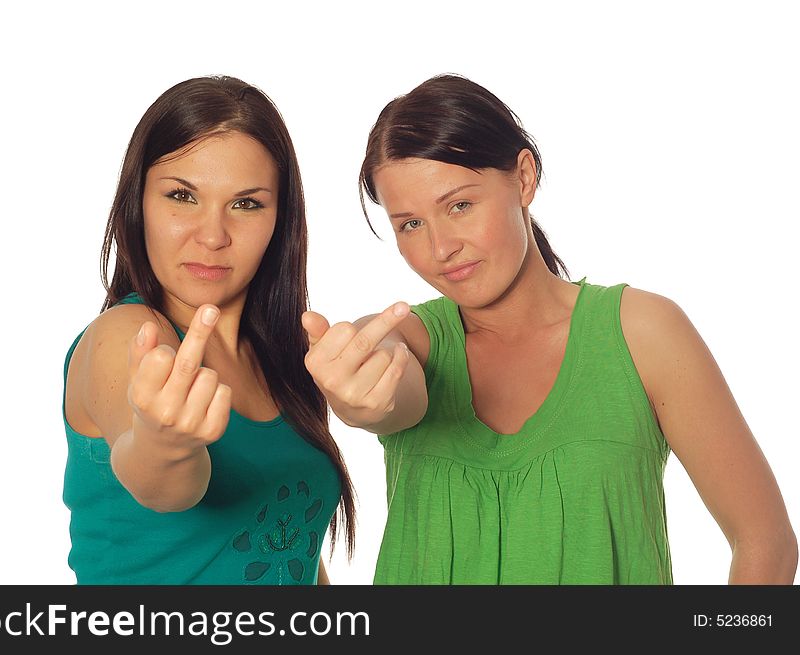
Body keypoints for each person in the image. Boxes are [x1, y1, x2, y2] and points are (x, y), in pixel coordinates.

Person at [302, 74, 797, 584]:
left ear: (523, 178)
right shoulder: (412, 341)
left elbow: (765, 542)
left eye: (460, 206)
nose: (440, 247)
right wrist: (358, 394)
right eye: (410, 224)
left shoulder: (643, 334)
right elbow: (385, 378)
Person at [62, 75, 355, 584]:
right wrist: (164, 444)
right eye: (182, 196)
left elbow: (293, 554)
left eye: (246, 203)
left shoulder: (284, 359)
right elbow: (162, 484)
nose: (213, 235)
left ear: (279, 219)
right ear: (139, 202)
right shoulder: (126, 337)